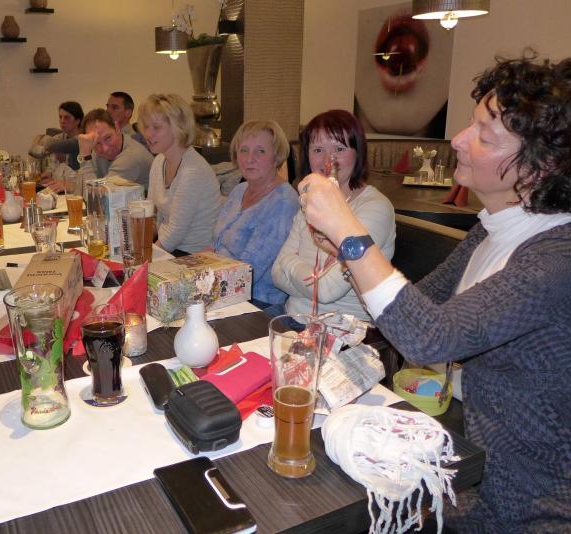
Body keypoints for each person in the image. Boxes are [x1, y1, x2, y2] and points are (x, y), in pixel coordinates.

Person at [300, 56, 571, 532]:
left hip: (527, 502)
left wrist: (349, 230)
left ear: (540, 167)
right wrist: (347, 255)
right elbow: (409, 310)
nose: (459, 140)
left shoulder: (555, 258)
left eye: (485, 136)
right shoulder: (491, 231)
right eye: (471, 123)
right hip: (466, 467)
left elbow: (430, 338)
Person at [272, 110, 395, 320]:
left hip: (344, 330)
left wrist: (289, 263)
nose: (329, 159)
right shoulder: (311, 201)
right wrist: (296, 271)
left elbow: (326, 290)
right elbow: (276, 274)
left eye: (339, 148)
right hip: (292, 319)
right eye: (318, 150)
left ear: (358, 152)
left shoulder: (375, 208)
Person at [213, 120, 299, 309]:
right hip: (220, 286)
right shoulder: (239, 190)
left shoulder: (283, 202)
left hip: (257, 301)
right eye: (244, 150)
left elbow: (248, 272)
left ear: (276, 157)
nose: (249, 159)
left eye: (260, 151)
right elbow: (215, 245)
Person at [140, 94, 220, 254]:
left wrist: (146, 258)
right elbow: (153, 217)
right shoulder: (159, 161)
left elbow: (175, 232)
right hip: (169, 247)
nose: (148, 134)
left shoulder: (194, 170)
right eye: (146, 127)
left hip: (193, 255)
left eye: (156, 127)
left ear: (179, 127)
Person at [77, 108, 153, 191]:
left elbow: (98, 195)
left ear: (117, 128)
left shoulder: (131, 157)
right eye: (97, 143)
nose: (105, 148)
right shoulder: (97, 150)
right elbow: (82, 189)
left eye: (108, 137)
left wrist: (84, 156)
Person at [29, 100, 84, 171]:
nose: (62, 121)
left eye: (66, 117)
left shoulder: (84, 139)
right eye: (60, 117)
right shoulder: (60, 137)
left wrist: (41, 140)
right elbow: (33, 152)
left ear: (77, 121)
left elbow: (51, 145)